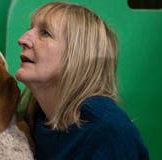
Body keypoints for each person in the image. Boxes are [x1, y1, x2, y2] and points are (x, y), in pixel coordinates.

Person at [15, 2, 149, 160]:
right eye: (29, 29)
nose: (22, 40)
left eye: (45, 33)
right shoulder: (33, 119)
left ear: (77, 56)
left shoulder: (109, 132)